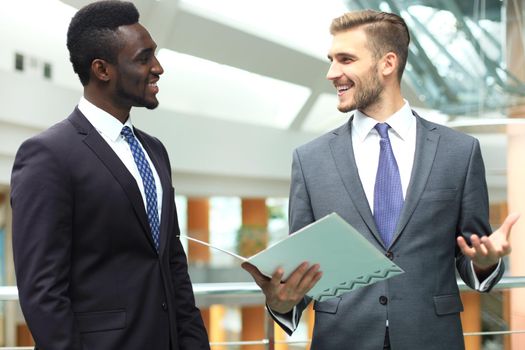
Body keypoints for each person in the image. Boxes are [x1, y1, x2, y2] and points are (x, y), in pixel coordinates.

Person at [242, 9, 519, 350]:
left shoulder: (459, 153)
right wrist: (282, 301)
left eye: (345, 59)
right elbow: (305, 270)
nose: (332, 73)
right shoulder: (309, 159)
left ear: (387, 63)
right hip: (342, 340)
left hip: (432, 339)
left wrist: (485, 261)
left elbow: (471, 256)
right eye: (331, 59)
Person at [10, 1, 209, 349]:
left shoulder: (156, 151)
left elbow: (173, 265)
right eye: (144, 58)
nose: (158, 68)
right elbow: (43, 293)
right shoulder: (48, 155)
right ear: (102, 69)